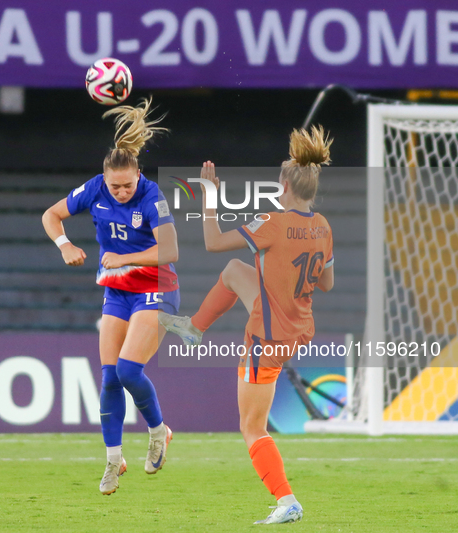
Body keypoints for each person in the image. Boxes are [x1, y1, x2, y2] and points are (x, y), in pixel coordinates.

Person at [159, 126, 334, 524]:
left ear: (285, 184)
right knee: (236, 271)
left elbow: (212, 241)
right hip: (297, 325)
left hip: (269, 337)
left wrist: (209, 198)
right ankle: (194, 328)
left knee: (252, 426)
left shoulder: (272, 221)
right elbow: (327, 282)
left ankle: (287, 500)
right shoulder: (323, 226)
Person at [42, 97, 178, 495]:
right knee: (108, 378)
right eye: (115, 186)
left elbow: (169, 251)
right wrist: (64, 244)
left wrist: (125, 257)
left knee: (128, 370)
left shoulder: (152, 197)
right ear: (105, 179)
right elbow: (51, 215)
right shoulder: (94, 190)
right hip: (118, 292)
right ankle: (112, 460)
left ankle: (158, 431)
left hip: (156, 289)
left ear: (139, 175)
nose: (120, 192)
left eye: (127, 185)